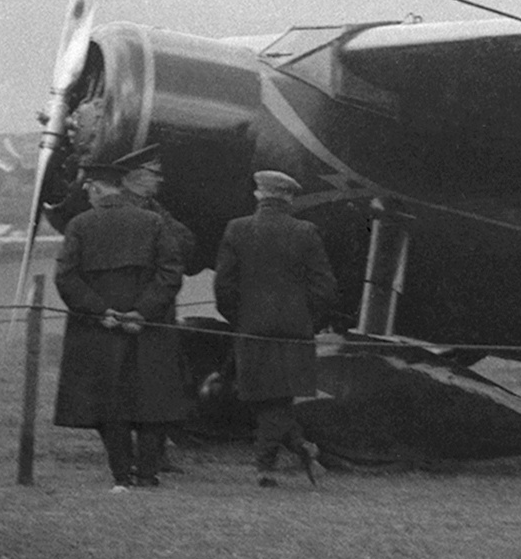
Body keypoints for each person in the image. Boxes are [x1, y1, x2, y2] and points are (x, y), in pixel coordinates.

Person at [53, 160, 187, 491]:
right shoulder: (154, 222)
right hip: (149, 328)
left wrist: (102, 311)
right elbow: (170, 273)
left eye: (89, 190)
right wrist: (143, 312)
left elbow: (66, 277)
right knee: (152, 400)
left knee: (108, 402)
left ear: (97, 189)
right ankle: (147, 474)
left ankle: (121, 474)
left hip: (99, 330)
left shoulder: (79, 225)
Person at [214, 170, 338, 488]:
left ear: (259, 195)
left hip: (251, 327)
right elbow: (324, 287)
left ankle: (266, 465)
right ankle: (299, 448)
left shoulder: (236, 229)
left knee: (264, 397)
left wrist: (239, 318)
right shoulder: (306, 231)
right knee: (278, 397)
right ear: (289, 198)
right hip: (295, 329)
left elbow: (224, 286)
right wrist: (309, 320)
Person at [116, 142, 196, 472]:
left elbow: (187, 242)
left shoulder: (154, 208)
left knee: (160, 383)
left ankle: (155, 453)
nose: (159, 181)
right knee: (131, 383)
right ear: (134, 178)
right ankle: (135, 455)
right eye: (154, 174)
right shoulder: (125, 211)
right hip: (132, 310)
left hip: (157, 310)